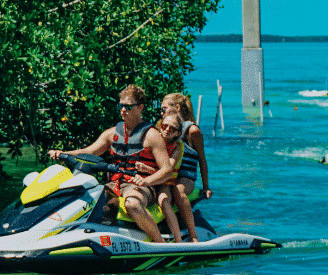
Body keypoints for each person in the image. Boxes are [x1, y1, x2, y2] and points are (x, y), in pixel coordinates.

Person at [48, 85, 174, 243]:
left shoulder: (152, 135)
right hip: (114, 184)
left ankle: (159, 242)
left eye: (128, 106)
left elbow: (167, 170)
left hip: (140, 185)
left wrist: (146, 180)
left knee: (132, 204)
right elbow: (89, 151)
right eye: (121, 106)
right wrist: (63, 154)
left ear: (141, 107)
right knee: (79, 198)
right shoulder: (112, 133)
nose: (123, 110)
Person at [136, 112, 201, 243]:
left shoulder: (177, 147)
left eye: (172, 129)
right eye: (165, 126)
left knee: (164, 200)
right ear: (160, 125)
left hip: (164, 182)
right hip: (149, 180)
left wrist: (147, 169)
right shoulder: (153, 138)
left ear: (178, 133)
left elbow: (167, 170)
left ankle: (180, 240)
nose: (167, 130)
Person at [160, 93, 212, 200]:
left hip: (185, 177)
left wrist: (206, 187)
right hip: (169, 175)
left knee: (177, 191)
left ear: (177, 107)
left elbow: (202, 159)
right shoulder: (162, 127)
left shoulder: (192, 130)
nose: (161, 113)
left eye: (164, 109)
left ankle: (187, 211)